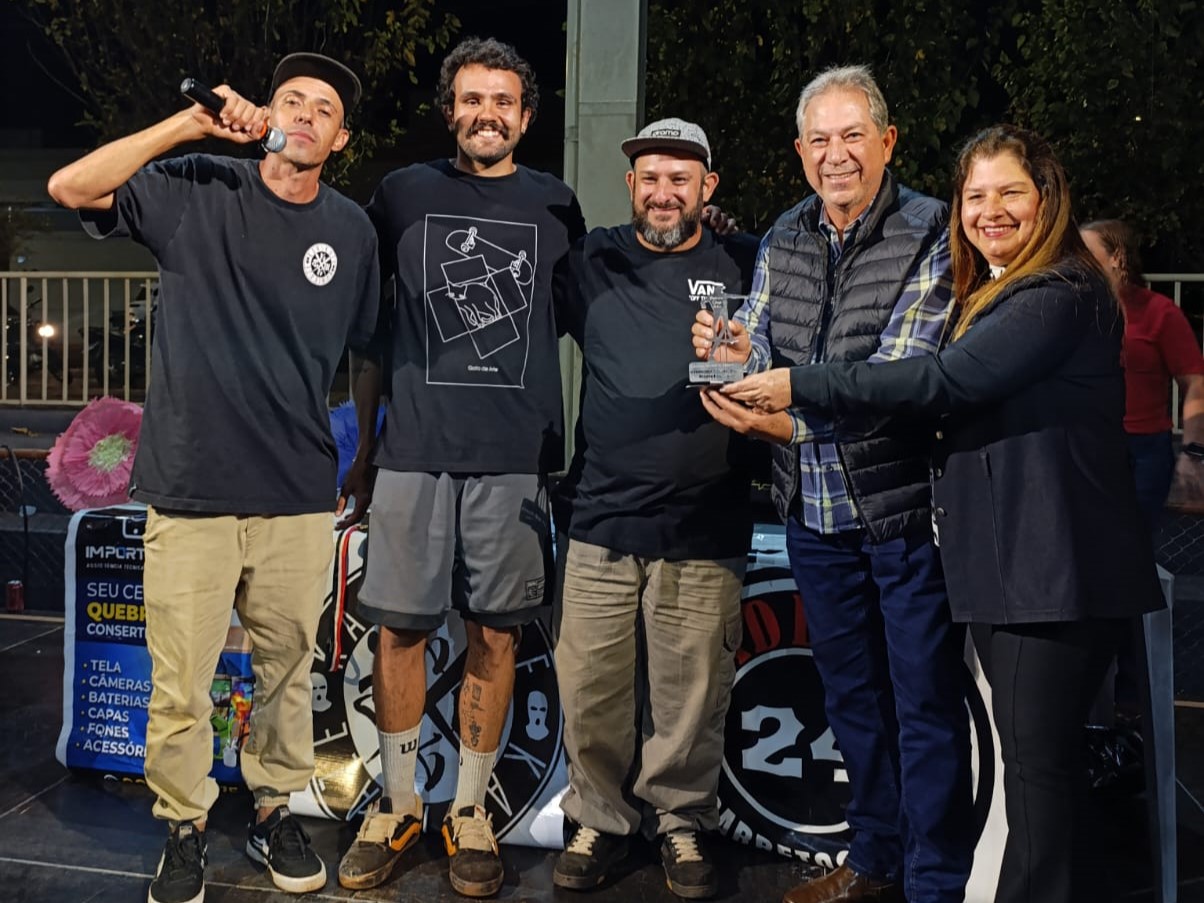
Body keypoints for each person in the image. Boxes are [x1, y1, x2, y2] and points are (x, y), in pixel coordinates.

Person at [722, 125, 1164, 903]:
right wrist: (780, 411)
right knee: (1036, 776)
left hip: (1048, 575)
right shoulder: (1000, 288)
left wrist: (803, 388)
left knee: (1036, 779)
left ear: (1048, 198)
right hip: (1014, 570)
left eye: (1010, 193)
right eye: (976, 195)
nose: (990, 210)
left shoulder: (1055, 292)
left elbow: (944, 383)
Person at [46, 53, 379, 903]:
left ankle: (273, 810)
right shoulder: (196, 183)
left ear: (340, 140)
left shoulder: (351, 230)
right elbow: (70, 187)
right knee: (179, 682)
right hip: (190, 489)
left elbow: (370, 352)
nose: (305, 115)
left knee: (285, 674)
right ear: (266, 111)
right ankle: (184, 827)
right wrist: (186, 124)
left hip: (297, 496)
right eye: (292, 100)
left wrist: (364, 458)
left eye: (325, 110)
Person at [692, 66, 972, 903]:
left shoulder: (931, 229)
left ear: (887, 142)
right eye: (819, 139)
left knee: (922, 705)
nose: (836, 154)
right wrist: (731, 355)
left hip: (901, 511)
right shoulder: (785, 231)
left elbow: (903, 377)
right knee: (851, 700)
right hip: (812, 512)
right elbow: (765, 343)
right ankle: (876, 860)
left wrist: (782, 405)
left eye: (853, 135)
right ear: (800, 152)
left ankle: (934, 881)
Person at [333, 37, 585, 898]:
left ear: (525, 114)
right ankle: (400, 802)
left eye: (503, 101)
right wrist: (363, 449)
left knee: (496, 634)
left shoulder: (556, 207)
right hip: (411, 459)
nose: (487, 113)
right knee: (398, 631)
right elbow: (369, 336)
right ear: (451, 110)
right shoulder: (401, 196)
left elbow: (594, 319)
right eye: (471, 99)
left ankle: (469, 809)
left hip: (513, 463)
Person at [549, 119, 757, 900]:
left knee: (692, 690)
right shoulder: (590, 259)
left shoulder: (748, 260)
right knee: (593, 685)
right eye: (650, 177)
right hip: (600, 517)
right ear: (631, 185)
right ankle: (601, 816)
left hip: (706, 520)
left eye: (681, 178)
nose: (664, 192)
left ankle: (679, 821)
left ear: (708, 187)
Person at [1080, 219, 1204, 526]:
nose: (1075, 261)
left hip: (1143, 451)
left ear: (1117, 258)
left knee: (1132, 550)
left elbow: (1194, 383)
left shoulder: (1159, 312)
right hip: (1086, 445)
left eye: (1084, 252)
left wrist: (1193, 452)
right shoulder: (1074, 308)